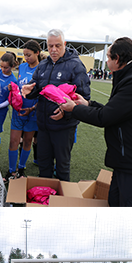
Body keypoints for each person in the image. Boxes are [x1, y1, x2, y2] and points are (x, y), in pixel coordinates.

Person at [61, 37, 132, 206]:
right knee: (115, 203)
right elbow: (115, 112)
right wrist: (88, 104)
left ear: (117, 59)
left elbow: (105, 117)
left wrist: (74, 109)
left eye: (108, 57)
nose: (106, 61)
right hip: (128, 161)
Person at [21, 29, 90, 182]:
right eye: (50, 46)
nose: (53, 50)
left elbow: (84, 97)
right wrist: (29, 90)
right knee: (44, 166)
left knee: (62, 167)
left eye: (57, 46)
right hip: (43, 126)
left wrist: (67, 112)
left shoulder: (76, 66)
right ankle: (45, 199)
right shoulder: (43, 65)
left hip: (64, 127)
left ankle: (61, 203)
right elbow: (37, 88)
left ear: (64, 44)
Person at [8, 40, 41, 178]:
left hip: (32, 112)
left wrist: (33, 108)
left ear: (37, 53)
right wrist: (13, 88)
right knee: (13, 141)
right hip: (18, 111)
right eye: (24, 55)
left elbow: (44, 94)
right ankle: (11, 170)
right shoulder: (22, 67)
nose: (26, 58)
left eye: (29, 55)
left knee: (27, 141)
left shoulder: (43, 70)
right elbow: (18, 84)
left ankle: (21, 169)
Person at [0, 51, 17, 160]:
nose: (3, 69)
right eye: (1, 66)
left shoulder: (13, 81)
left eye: (6, 67)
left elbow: (9, 100)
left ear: (12, 66)